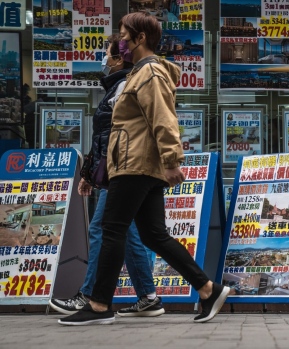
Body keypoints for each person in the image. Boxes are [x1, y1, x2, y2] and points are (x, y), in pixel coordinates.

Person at [58, 12, 229, 326]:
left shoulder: (149, 72)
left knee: (112, 230)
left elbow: (163, 119)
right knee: (153, 235)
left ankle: (98, 305)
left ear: (140, 39)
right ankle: (208, 289)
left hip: (136, 164)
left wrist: (172, 161)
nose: (121, 42)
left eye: (125, 35)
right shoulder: (139, 73)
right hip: (136, 163)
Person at [49, 34, 164, 318]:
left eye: (107, 54)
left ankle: (90, 296)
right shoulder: (118, 86)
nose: (104, 60)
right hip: (119, 168)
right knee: (128, 231)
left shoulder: (125, 85)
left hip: (122, 169)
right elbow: (104, 136)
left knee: (102, 228)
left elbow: (114, 136)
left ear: (118, 59)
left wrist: (93, 172)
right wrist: (90, 172)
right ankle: (148, 297)